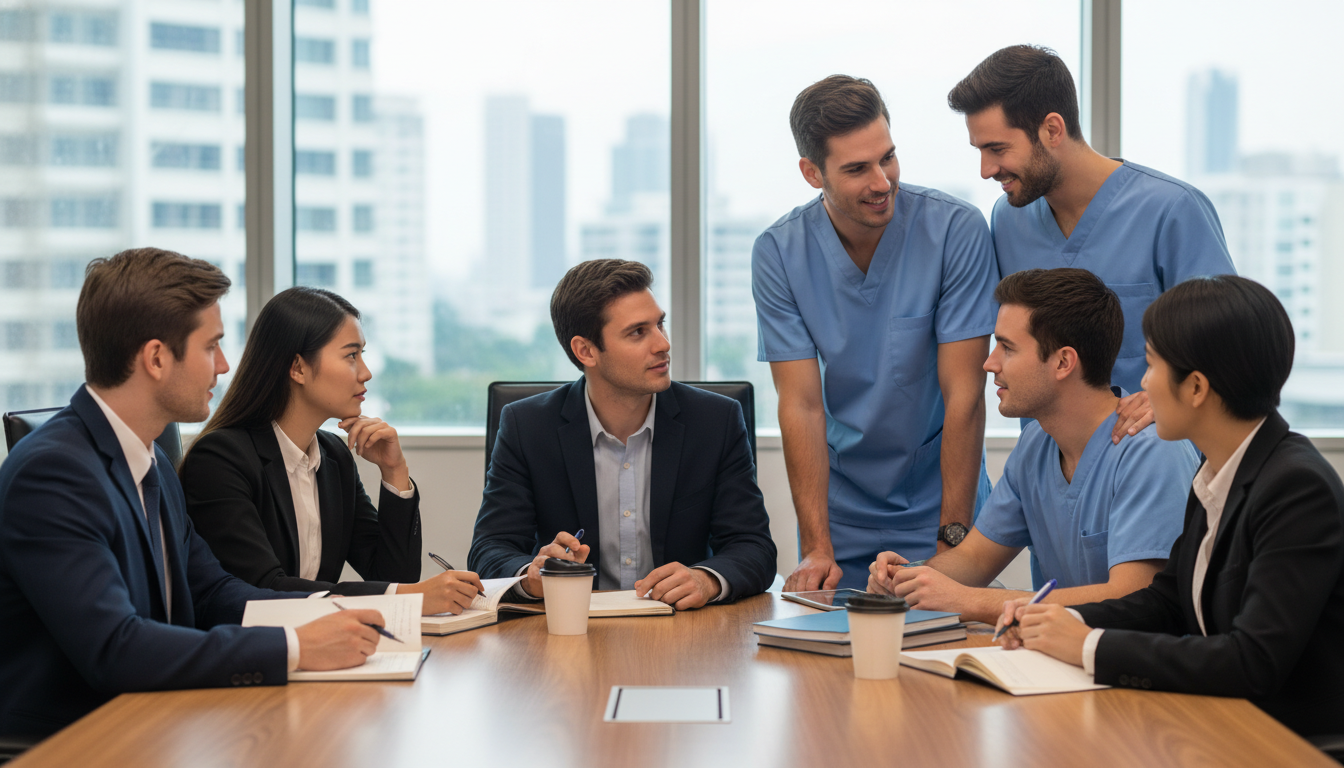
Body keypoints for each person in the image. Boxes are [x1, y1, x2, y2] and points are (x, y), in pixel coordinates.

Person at [0, 248, 384, 737]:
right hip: (73, 742)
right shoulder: (53, 473)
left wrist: (329, 617)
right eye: (211, 347)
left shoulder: (153, 461)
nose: (223, 365)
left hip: (155, 722)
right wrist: (295, 647)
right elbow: (115, 648)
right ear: (157, 358)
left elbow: (212, 591)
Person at [998, 275, 1344, 739]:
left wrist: (1088, 646)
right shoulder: (1216, 474)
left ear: (1196, 388)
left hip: (1291, 745)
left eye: (1151, 365)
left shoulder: (1296, 488)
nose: (1141, 385)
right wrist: (1064, 621)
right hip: (1224, 727)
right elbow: (1167, 601)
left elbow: (1253, 660)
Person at [754, 75, 998, 591]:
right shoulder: (779, 252)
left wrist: (952, 541)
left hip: (942, 502)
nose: (882, 182)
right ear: (812, 173)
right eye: (856, 168)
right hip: (839, 513)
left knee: (945, 635)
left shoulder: (955, 230)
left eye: (888, 157)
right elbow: (801, 404)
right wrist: (817, 546)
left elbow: (965, 394)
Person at [867, 269, 1197, 624]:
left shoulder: (1151, 451)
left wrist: (972, 601)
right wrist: (907, 579)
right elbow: (974, 559)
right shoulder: (1035, 445)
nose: (989, 363)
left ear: (1063, 362)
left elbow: (1134, 598)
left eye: (1007, 348)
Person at [948, 44, 1236, 444]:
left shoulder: (1172, 211)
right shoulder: (1008, 219)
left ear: (1052, 130)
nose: (986, 170)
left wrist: (1167, 398)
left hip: (1153, 457)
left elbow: (1232, 342)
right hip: (1050, 466)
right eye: (980, 150)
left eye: (997, 149)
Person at [468, 259, 777, 609]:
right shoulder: (527, 426)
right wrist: (532, 576)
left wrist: (706, 579)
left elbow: (754, 547)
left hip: (682, 626)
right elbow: (489, 550)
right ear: (586, 351)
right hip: (573, 625)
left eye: (660, 324)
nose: (663, 344)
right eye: (638, 332)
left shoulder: (715, 421)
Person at [178, 287, 483, 616]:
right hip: (255, 644)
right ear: (298, 368)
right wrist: (412, 596)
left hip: (322, 641)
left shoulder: (333, 456)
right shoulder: (221, 459)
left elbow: (393, 576)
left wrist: (395, 472)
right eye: (351, 355)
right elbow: (263, 590)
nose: (366, 372)